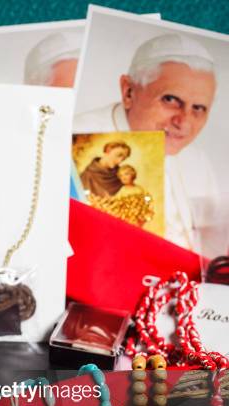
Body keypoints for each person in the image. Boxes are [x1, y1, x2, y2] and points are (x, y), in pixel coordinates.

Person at [74, 33, 219, 250]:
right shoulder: (70, 137)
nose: (184, 122)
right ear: (128, 91)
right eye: (170, 100)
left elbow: (213, 245)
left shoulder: (197, 160)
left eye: (198, 108)